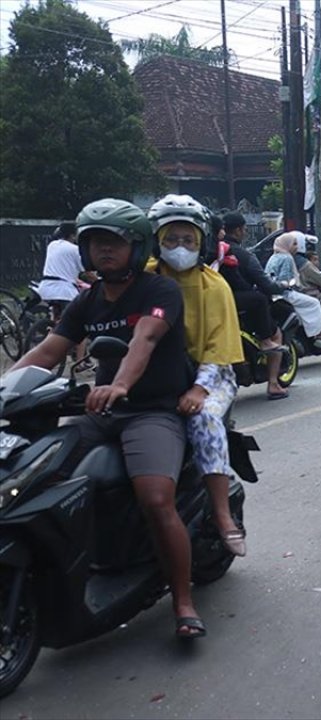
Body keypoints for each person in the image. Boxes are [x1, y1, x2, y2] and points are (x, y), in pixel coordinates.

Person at [12, 199, 204, 639]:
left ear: (136, 248)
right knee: (36, 476)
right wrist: (5, 388)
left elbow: (145, 338)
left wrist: (120, 383)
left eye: (114, 242)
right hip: (98, 412)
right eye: (95, 242)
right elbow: (48, 351)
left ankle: (182, 600)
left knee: (156, 498)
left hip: (152, 411)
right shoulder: (87, 301)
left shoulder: (159, 292)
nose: (104, 251)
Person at [146, 195, 248, 558]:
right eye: (170, 239)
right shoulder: (144, 279)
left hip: (210, 375)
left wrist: (199, 388)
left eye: (187, 240)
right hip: (154, 377)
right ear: (156, 241)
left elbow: (219, 347)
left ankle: (222, 515)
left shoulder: (214, 286)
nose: (179, 247)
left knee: (204, 419)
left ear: (201, 241)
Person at [220, 213, 287, 399]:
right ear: (240, 230)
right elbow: (266, 284)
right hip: (241, 305)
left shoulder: (209, 251)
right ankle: (273, 384)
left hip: (215, 306)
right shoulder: (244, 255)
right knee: (275, 333)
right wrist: (281, 286)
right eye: (244, 229)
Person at [263, 231, 321, 344]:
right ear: (286, 245)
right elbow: (286, 280)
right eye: (294, 244)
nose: (297, 247)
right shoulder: (287, 258)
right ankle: (318, 333)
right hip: (284, 293)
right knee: (313, 303)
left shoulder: (274, 257)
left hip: (274, 293)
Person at [36, 221, 88, 322]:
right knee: (76, 319)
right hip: (64, 291)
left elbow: (63, 267)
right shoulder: (75, 249)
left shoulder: (52, 245)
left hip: (46, 289)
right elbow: (87, 272)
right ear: (73, 235)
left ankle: (52, 326)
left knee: (57, 317)